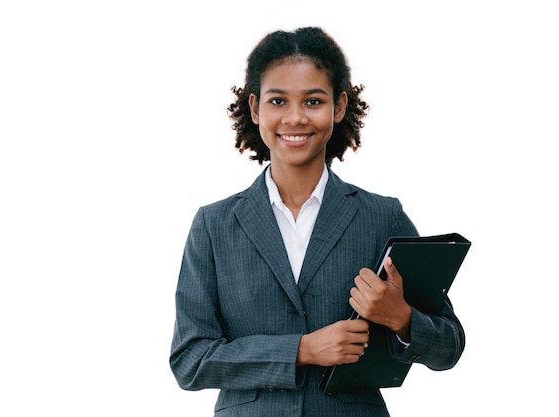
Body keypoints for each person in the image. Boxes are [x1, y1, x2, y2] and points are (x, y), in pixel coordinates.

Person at [170, 26, 465, 417]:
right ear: (256, 108)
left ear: (339, 107)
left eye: (313, 101)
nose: (295, 118)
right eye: (278, 101)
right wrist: (302, 351)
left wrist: (401, 318)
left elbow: (450, 347)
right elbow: (189, 360)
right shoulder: (214, 225)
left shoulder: (381, 217)